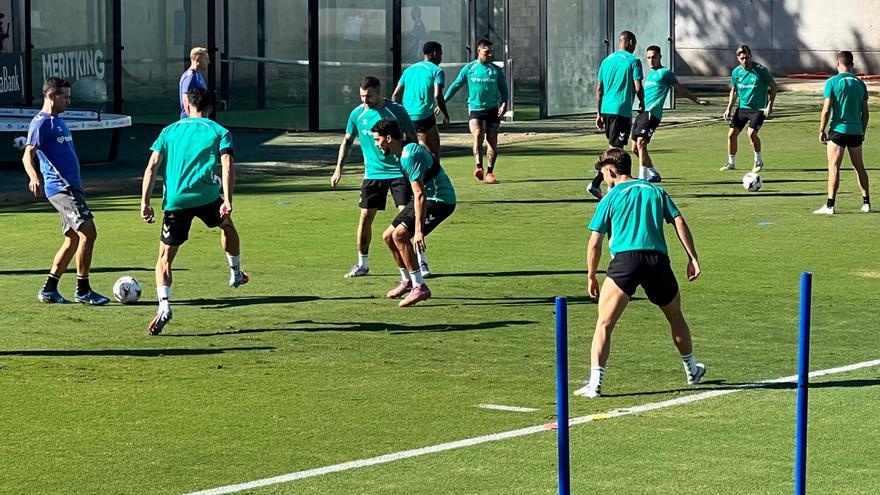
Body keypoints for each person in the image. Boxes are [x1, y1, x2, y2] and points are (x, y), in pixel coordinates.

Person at [575, 148, 705, 398]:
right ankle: (691, 370)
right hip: (657, 261)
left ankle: (595, 383)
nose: (603, 180)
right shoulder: (655, 190)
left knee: (604, 323)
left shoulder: (610, 199)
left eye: (603, 175)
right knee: (675, 317)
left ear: (611, 171)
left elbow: (595, 242)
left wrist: (591, 275)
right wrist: (692, 257)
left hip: (626, 262)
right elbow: (679, 220)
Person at [141, 88, 248, 336]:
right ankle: (235, 272)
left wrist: (145, 202)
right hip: (208, 196)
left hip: (176, 201)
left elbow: (151, 167)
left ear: (186, 106)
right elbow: (227, 164)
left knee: (164, 259)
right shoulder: (219, 131)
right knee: (227, 226)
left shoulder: (169, 131)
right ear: (211, 108)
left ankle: (165, 306)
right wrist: (228, 200)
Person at [22, 77, 110, 305]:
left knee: (72, 239)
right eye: (65, 96)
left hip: (71, 187)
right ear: (51, 96)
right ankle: (83, 290)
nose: (68, 101)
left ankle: (49, 289)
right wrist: (34, 177)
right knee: (89, 232)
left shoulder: (57, 121)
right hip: (62, 188)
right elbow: (27, 155)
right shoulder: (41, 123)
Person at [332, 76, 430, 277]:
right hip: (373, 174)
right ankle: (362, 264)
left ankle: (421, 262)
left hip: (398, 172)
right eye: (361, 96)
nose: (365, 100)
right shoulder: (357, 115)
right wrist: (338, 168)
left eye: (369, 96)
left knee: (407, 218)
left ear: (379, 92)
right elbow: (348, 141)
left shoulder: (397, 111)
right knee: (365, 217)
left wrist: (414, 167)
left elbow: (412, 139)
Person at [372, 118, 456, 307]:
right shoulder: (399, 153)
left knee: (401, 236)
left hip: (441, 200)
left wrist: (418, 231)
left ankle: (420, 287)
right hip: (426, 196)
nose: (376, 144)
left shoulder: (409, 155)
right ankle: (408, 281)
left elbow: (420, 195)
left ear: (388, 138)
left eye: (377, 140)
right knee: (388, 236)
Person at [632, 45, 709, 182]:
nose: (651, 60)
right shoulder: (650, 75)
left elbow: (681, 89)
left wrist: (697, 100)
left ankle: (642, 178)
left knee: (641, 143)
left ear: (660, 57)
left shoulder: (665, 73)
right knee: (635, 149)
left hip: (652, 113)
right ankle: (653, 173)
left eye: (654, 57)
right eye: (649, 58)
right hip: (642, 113)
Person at [587, 31, 644, 200]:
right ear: (631, 41)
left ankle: (601, 184)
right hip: (621, 110)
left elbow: (599, 89)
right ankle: (603, 185)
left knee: (615, 147)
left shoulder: (606, 61)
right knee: (616, 150)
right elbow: (638, 87)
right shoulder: (633, 61)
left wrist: (599, 112)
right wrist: (643, 103)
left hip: (607, 109)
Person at [444, 39, 508, 184]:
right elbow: (456, 85)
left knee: (492, 141)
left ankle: (490, 172)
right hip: (475, 109)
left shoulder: (496, 71)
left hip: (492, 110)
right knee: (478, 134)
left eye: (492, 51)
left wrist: (504, 103)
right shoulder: (469, 69)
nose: (490, 54)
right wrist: (443, 101)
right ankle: (478, 167)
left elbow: (504, 89)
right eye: (487, 52)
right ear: (479, 51)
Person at [815, 51, 870, 214]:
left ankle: (830, 205)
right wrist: (863, 131)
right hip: (856, 131)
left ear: (838, 64)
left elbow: (826, 110)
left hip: (838, 130)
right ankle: (866, 203)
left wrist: (821, 130)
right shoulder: (860, 84)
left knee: (834, 167)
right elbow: (865, 113)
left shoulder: (832, 82)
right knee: (859, 167)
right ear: (852, 65)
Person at [720, 44, 777, 172]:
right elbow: (734, 90)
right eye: (742, 58)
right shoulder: (736, 72)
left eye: (747, 57)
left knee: (751, 133)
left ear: (751, 56)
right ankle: (731, 162)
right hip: (742, 107)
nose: (745, 61)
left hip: (759, 109)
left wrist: (770, 105)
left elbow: (773, 86)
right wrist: (728, 108)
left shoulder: (760, 70)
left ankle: (758, 161)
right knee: (731, 135)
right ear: (738, 59)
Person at [392, 41, 450, 158]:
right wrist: (446, 115)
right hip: (424, 116)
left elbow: (395, 95)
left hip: (406, 116)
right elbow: (437, 95)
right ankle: (433, 176)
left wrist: (397, 115)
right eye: (440, 54)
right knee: (433, 153)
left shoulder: (409, 70)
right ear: (434, 53)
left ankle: (410, 175)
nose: (441, 58)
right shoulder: (437, 71)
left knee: (409, 154)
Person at [179, 47, 209, 120]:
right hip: (190, 123)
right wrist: (192, 121)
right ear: (198, 59)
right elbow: (185, 100)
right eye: (206, 59)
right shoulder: (190, 77)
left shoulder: (198, 75)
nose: (208, 62)